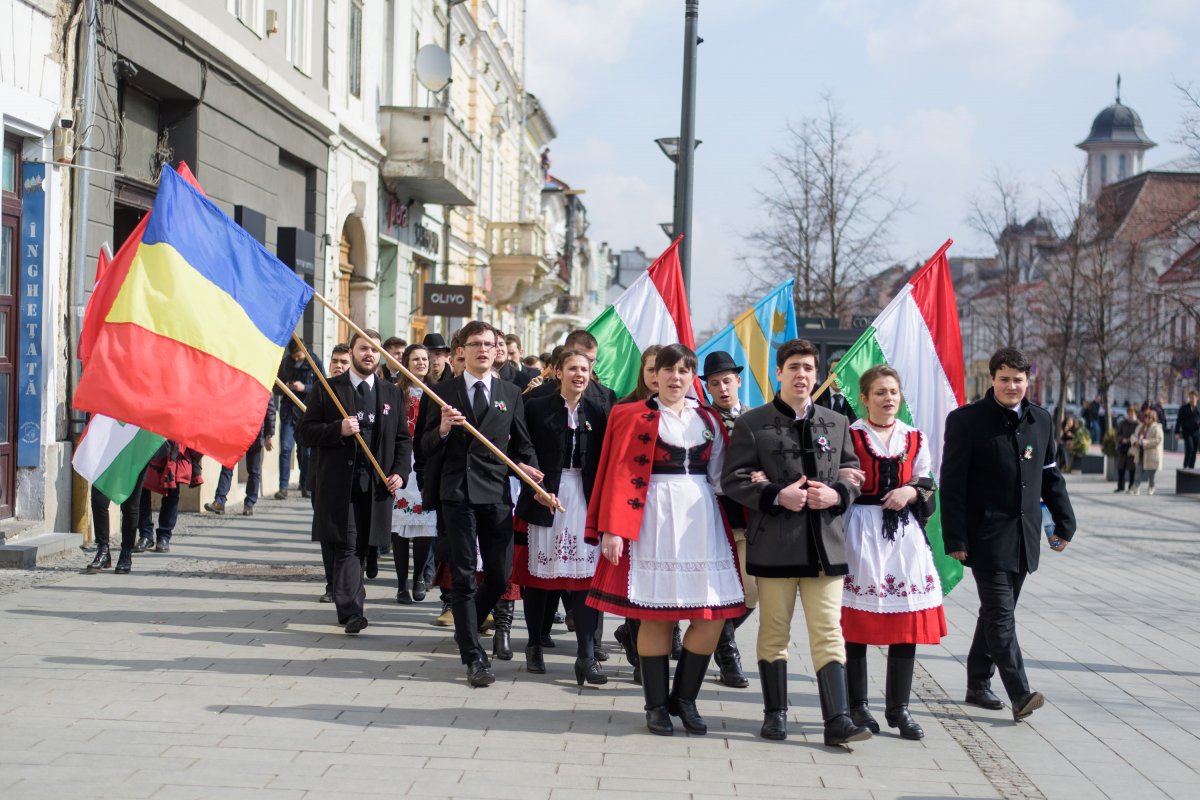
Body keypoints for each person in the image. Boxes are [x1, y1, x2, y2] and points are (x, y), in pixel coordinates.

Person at [586, 344, 745, 737]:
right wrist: (612, 528)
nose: (675, 378)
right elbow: (616, 473)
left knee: (713, 614)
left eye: (684, 371)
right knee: (657, 614)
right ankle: (656, 705)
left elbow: (723, 476)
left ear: (694, 378)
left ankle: (684, 699)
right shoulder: (630, 415)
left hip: (701, 518)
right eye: (668, 370)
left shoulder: (708, 418)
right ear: (655, 376)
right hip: (652, 515)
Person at [722, 338, 869, 746]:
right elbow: (733, 480)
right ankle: (775, 714)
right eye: (794, 368)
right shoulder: (753, 422)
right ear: (779, 374)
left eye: (808, 368)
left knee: (828, 631)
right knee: (774, 632)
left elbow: (853, 472)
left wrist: (838, 494)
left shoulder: (836, 422)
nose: (801, 375)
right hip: (775, 544)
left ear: (816, 374)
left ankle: (837, 719)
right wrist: (774, 494)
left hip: (826, 545)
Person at [941, 347, 1075, 722]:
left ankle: (977, 683)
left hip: (1024, 537)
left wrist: (1064, 523)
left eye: (1018, 380)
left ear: (1027, 381)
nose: (1011, 386)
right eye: (1004, 379)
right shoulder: (966, 421)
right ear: (993, 380)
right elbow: (952, 485)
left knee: (995, 615)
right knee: (1002, 618)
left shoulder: (1041, 421)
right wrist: (955, 538)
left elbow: (1050, 476)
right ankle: (1020, 694)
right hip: (984, 537)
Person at [420, 321, 541, 686]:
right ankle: (474, 656)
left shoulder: (510, 392)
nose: (483, 350)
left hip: (497, 493)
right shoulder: (441, 392)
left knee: (501, 576)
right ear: (461, 350)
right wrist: (441, 429)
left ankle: (466, 624)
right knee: (464, 575)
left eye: (490, 344)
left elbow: (522, 444)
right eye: (475, 344)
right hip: (456, 493)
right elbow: (421, 448)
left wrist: (529, 469)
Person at [839, 366, 946, 741]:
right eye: (880, 392)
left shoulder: (914, 436)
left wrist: (911, 493)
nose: (888, 399)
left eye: (893, 392)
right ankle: (858, 706)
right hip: (860, 529)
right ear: (865, 398)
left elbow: (927, 479)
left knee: (905, 625)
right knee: (855, 624)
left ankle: (899, 708)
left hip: (903, 536)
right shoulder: (849, 435)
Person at [298, 329, 411, 635]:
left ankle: (351, 600)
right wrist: (338, 429)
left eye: (374, 350)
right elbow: (305, 432)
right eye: (363, 349)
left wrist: (400, 472)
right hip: (340, 484)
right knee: (348, 545)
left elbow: (402, 439)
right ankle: (351, 611)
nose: (369, 354)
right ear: (352, 352)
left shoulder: (390, 393)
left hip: (376, 486)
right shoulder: (328, 389)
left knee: (364, 546)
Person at [515, 349, 608, 684]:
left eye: (584, 369)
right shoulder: (537, 407)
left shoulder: (598, 411)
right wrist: (533, 482)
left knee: (585, 580)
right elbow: (519, 449)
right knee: (539, 580)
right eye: (572, 368)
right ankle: (534, 644)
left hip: (583, 500)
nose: (579, 374)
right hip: (544, 494)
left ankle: (585, 655)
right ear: (559, 372)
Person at [700, 350, 756, 689]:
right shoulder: (701, 419)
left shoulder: (756, 417)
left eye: (727, 381)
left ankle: (722, 635)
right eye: (714, 383)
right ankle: (728, 657)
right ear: (707, 387)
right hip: (712, 512)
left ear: (738, 381)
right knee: (718, 589)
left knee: (753, 591)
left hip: (749, 515)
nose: (722, 388)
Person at [611, 343, 662, 672]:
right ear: (642, 372)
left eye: (665, 368)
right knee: (635, 582)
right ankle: (637, 645)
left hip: (668, 509)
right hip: (633, 505)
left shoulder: (687, 409)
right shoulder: (625, 407)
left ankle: (654, 644)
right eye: (651, 369)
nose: (658, 376)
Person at [391, 344, 438, 603]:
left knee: (424, 526)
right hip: (401, 461)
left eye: (424, 359)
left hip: (425, 462)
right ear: (405, 363)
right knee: (399, 528)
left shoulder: (438, 392)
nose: (420, 363)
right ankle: (400, 584)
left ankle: (419, 576)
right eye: (415, 359)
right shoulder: (396, 392)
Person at [310, 343, 352, 603]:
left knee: (350, 536)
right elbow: (308, 432)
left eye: (344, 362)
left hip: (354, 476)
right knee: (328, 533)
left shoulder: (362, 392)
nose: (338, 366)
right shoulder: (322, 390)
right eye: (335, 361)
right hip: (324, 474)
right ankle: (331, 584)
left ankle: (348, 583)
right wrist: (337, 429)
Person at [206, 398, 276, 516]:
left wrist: (268, 435)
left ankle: (249, 504)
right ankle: (219, 502)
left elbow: (270, 410)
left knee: (253, 471)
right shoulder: (239, 380)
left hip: (255, 433)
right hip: (236, 431)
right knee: (228, 465)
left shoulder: (263, 384)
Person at [275, 340, 324, 499]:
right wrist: (286, 386)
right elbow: (275, 385)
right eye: (294, 356)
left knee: (306, 452)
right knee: (285, 448)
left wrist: (305, 388)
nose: (296, 359)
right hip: (289, 412)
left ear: (305, 351)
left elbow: (322, 386)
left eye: (299, 356)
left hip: (307, 412)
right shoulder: (285, 363)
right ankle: (283, 487)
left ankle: (305, 485)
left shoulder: (314, 362)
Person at [135, 441, 203, 554]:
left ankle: (164, 536)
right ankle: (145, 535)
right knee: (143, 486)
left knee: (172, 490)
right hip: (151, 437)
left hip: (176, 442)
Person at [527, 330, 617, 413]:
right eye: (581, 357)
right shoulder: (536, 397)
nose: (586, 364)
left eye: (591, 360)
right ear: (565, 355)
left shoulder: (606, 397)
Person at [87, 467, 149, 574]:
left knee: (130, 505)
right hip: (109, 454)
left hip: (136, 455)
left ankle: (126, 552)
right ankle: (103, 549)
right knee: (99, 499)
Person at [1129, 408, 1164, 496]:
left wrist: (1144, 442)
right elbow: (1133, 435)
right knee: (1138, 471)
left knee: (1150, 473)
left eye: (1149, 418)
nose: (1147, 419)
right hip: (1140, 452)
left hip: (1151, 454)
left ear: (1153, 419)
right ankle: (1136, 487)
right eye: (1146, 417)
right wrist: (1134, 441)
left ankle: (1151, 486)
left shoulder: (1157, 428)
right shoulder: (1141, 426)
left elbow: (1158, 440)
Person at [815, 356, 858, 422]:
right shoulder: (816, 395)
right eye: (833, 373)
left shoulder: (855, 400)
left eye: (841, 373)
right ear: (828, 375)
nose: (836, 378)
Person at [1114, 406, 1139, 493]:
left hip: (1132, 449)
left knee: (1132, 469)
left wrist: (1129, 440)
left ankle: (1131, 486)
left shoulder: (1137, 424)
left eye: (1132, 414)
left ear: (1135, 414)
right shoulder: (1123, 423)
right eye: (1129, 414)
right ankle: (1120, 486)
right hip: (1123, 448)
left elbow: (1138, 435)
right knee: (1121, 468)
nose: (1130, 416)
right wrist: (1122, 439)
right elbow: (1118, 434)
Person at [1176, 390, 1199, 469]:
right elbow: (1179, 420)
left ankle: (1191, 466)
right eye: (1190, 397)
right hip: (1187, 432)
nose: (1192, 399)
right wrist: (1177, 432)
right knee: (1190, 447)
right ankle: (1186, 465)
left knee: (1194, 450)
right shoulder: (1184, 408)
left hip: (1196, 432)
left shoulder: (1198, 409)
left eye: (1193, 397)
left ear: (1197, 398)